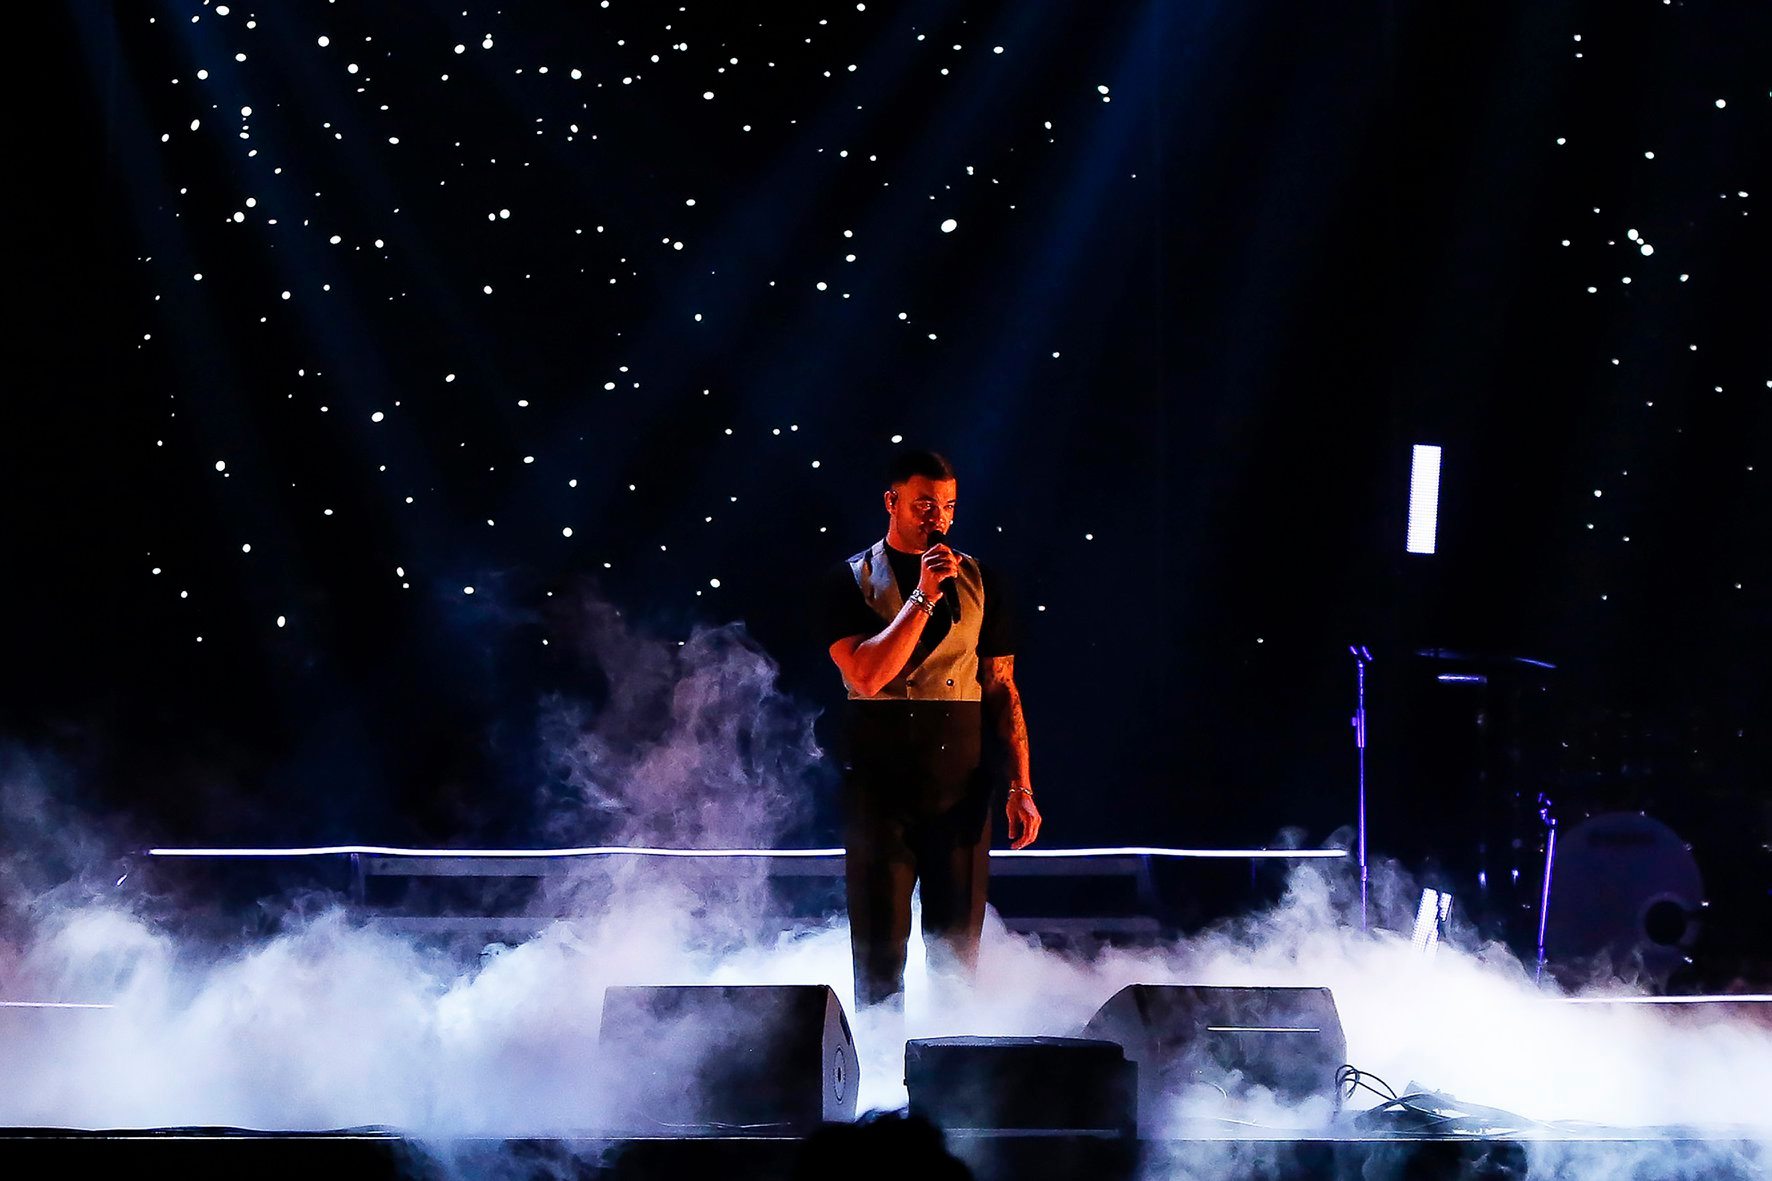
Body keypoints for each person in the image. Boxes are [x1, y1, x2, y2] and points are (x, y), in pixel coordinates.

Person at [820, 449, 1041, 1010]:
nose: (937, 518)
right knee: (878, 950)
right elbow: (867, 676)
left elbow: (1001, 688)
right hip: (879, 786)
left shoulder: (984, 581)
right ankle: (878, 1058)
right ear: (892, 502)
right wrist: (922, 597)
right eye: (924, 505)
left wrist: (1021, 785)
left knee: (957, 954)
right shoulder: (848, 580)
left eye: (948, 506)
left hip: (958, 782)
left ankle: (952, 1058)